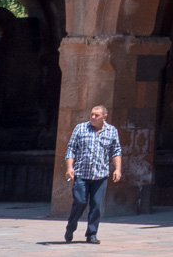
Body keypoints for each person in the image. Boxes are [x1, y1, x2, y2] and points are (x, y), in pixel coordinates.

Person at [63, 104, 122, 244]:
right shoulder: (80, 128)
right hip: (81, 175)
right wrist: (69, 167)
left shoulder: (111, 131)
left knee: (96, 205)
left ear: (104, 117)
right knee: (80, 202)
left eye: (97, 115)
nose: (93, 117)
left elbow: (116, 151)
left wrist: (118, 169)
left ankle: (92, 234)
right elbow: (71, 149)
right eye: (92, 115)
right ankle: (71, 227)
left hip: (100, 176)